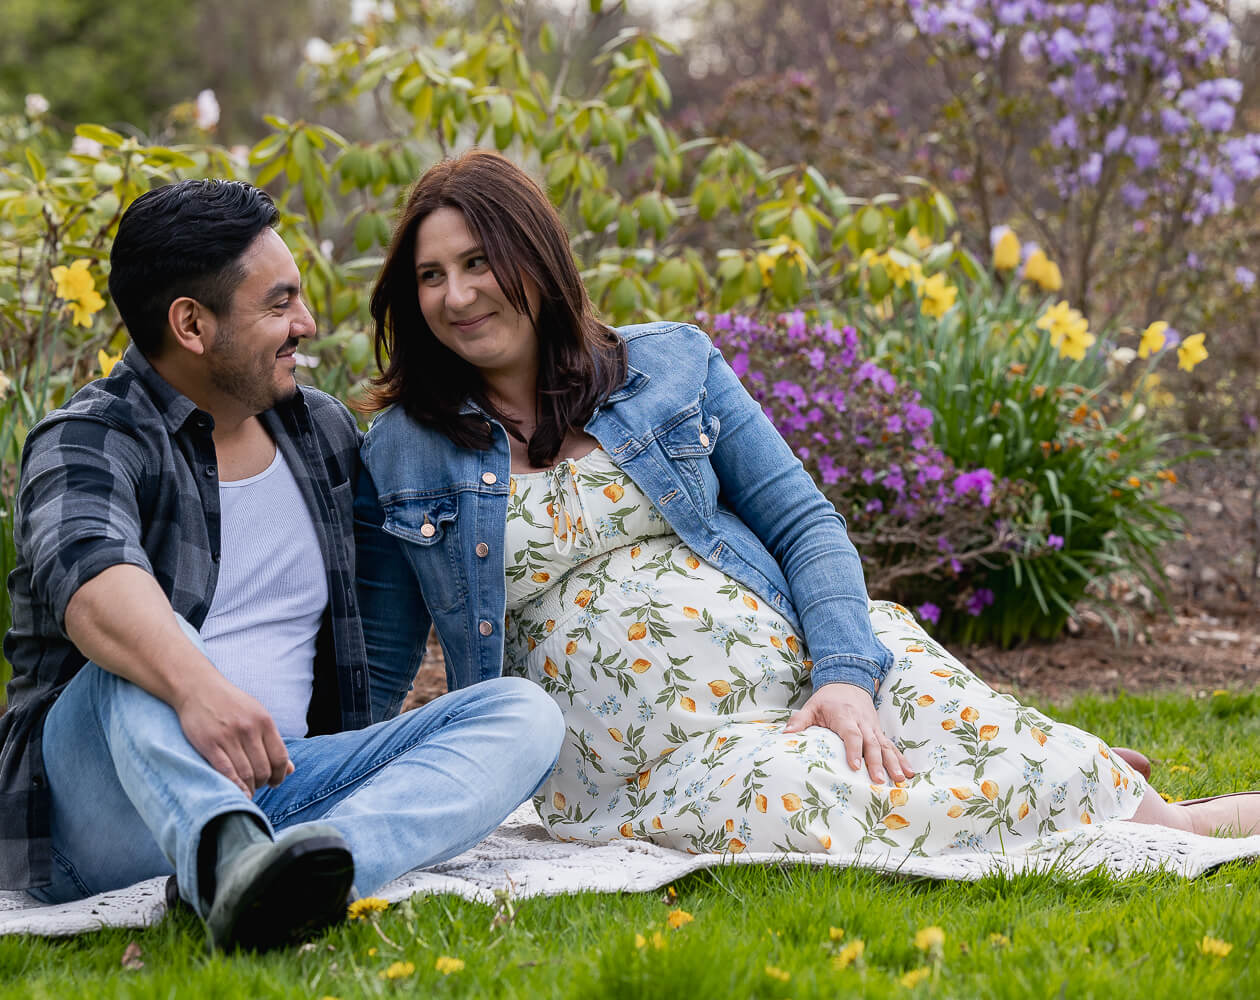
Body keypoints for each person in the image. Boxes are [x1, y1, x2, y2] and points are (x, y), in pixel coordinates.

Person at [354, 150, 1260, 861]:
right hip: (650, 753)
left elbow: (803, 521)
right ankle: (1043, 790)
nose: (457, 295)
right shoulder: (403, 447)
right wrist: (329, 781)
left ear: (537, 261)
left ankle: (1134, 808)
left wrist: (840, 673)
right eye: (431, 276)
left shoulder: (670, 365)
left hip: (795, 653)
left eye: (478, 262)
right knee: (808, 801)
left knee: (924, 701)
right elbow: (386, 653)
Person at [0, 178, 563, 953]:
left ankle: (303, 872)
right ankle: (226, 851)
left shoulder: (319, 431)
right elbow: (93, 583)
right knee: (136, 652)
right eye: (279, 305)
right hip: (101, 807)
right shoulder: (87, 439)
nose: (307, 325)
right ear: (191, 324)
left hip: (288, 783)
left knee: (521, 713)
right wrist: (199, 687)